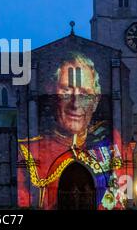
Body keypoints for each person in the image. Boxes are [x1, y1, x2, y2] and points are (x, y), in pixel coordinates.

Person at [18, 52, 104, 209]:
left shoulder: (110, 147)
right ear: (51, 94)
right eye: (66, 91)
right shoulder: (27, 151)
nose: (75, 104)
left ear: (96, 101)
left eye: (85, 94)